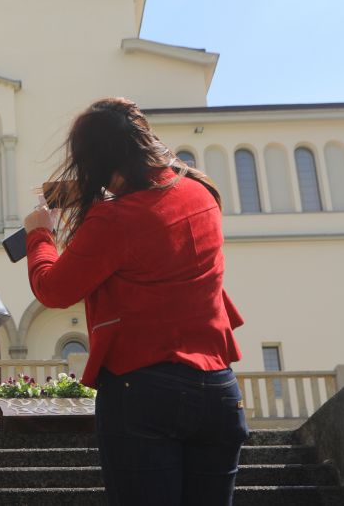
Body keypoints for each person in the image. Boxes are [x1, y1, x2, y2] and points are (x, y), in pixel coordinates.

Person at [23, 97, 248, 506]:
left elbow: (53, 289)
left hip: (143, 386)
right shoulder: (203, 193)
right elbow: (161, 204)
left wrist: (40, 235)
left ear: (95, 159)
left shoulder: (114, 220)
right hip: (218, 386)